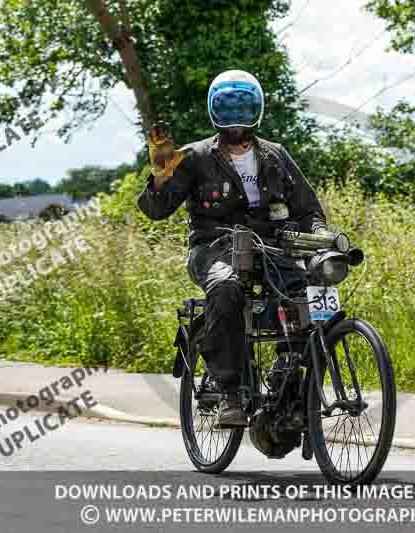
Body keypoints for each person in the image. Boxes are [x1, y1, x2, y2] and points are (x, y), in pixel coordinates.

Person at [137, 70, 330, 427]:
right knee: (226, 287)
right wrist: (160, 177)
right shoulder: (194, 157)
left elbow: (308, 210)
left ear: (256, 111)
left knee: (312, 294)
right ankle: (230, 393)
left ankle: (286, 375)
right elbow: (156, 210)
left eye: (243, 107)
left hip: (272, 250)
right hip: (213, 249)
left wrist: (321, 240)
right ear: (215, 112)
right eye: (228, 108)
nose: (236, 117)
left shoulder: (276, 155)